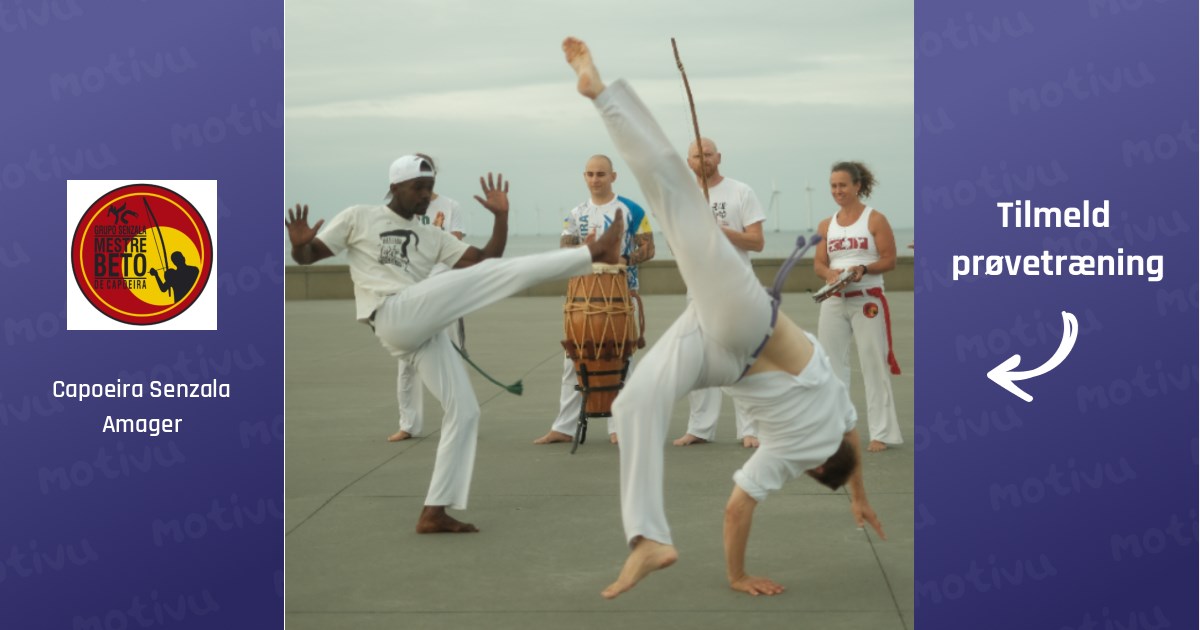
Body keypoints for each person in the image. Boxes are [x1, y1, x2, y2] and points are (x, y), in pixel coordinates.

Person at [560, 36, 885, 599]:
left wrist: (861, 494)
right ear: (815, 470)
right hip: (730, 345)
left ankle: (604, 95)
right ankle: (646, 537)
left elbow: (851, 438)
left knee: (677, 200)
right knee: (633, 400)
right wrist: (738, 576)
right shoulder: (788, 457)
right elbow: (738, 510)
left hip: (740, 328)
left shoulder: (838, 418)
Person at [286, 155, 626, 533]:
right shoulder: (359, 217)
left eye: (430, 188)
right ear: (395, 186)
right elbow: (308, 256)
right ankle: (594, 253)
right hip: (391, 311)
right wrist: (299, 247)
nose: (425, 195)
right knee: (472, 280)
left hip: (419, 329)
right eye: (418, 187)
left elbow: (485, 258)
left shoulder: (432, 235)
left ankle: (434, 511)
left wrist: (501, 218)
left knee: (465, 412)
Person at [533, 154, 654, 446]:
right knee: (572, 362)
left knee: (622, 361)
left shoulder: (632, 209)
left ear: (613, 176)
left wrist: (625, 259)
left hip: (620, 292)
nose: (595, 179)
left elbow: (649, 248)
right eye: (590, 174)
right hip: (584, 295)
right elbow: (565, 245)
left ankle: (620, 427)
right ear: (584, 177)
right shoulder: (576, 213)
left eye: (601, 174)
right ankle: (564, 428)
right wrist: (582, 249)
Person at [672, 137, 766, 449]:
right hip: (699, 289)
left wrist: (724, 234)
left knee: (741, 357)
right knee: (699, 360)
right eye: (697, 156)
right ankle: (700, 428)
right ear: (689, 162)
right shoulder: (684, 197)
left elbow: (757, 242)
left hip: (737, 288)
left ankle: (750, 429)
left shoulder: (741, 191)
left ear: (719, 157)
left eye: (709, 154)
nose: (704, 160)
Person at [814, 161, 903, 453]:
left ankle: (882, 433)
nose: (837, 191)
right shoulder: (826, 225)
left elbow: (890, 259)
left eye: (843, 185)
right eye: (833, 186)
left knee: (874, 363)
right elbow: (819, 263)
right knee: (831, 365)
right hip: (833, 300)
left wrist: (863, 269)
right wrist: (830, 275)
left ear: (857, 186)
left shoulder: (874, 219)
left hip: (867, 300)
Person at [389, 156, 468, 443]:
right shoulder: (402, 210)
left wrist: (434, 233)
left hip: (444, 289)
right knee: (407, 361)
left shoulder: (450, 206)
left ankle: (459, 420)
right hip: (410, 290)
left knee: (453, 357)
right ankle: (408, 424)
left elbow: (455, 247)